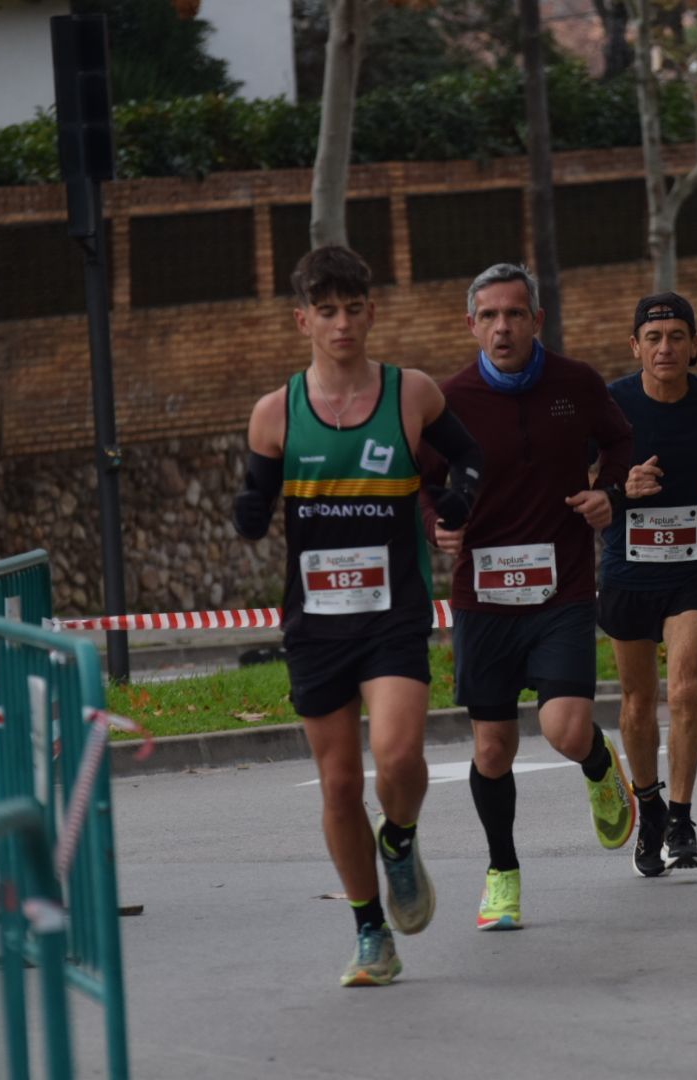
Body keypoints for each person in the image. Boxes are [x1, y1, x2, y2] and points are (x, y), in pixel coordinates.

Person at [232, 245, 483, 987]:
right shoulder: (276, 412)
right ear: (303, 318)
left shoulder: (411, 395)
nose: (341, 324)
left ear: (370, 313)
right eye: (326, 311)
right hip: (315, 623)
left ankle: (399, 840)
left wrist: (456, 501)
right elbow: (255, 495)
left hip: (391, 614)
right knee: (340, 784)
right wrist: (249, 510)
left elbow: (466, 460)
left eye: (353, 309)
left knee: (400, 757)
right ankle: (371, 933)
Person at [421, 262, 636, 931]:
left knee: (565, 727)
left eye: (514, 314)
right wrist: (438, 524)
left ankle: (600, 766)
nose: (503, 327)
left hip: (561, 588)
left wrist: (611, 493)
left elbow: (623, 442)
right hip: (483, 597)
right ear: (471, 325)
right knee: (492, 751)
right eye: (489, 316)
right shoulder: (448, 398)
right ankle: (502, 874)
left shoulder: (575, 384)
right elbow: (422, 477)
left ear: (536, 320)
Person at [600, 292, 697, 878]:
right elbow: (580, 481)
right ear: (635, 346)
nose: (666, 348)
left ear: (695, 345)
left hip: (691, 565)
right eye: (654, 338)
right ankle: (651, 803)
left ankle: (682, 819)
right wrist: (619, 485)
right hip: (627, 569)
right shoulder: (611, 404)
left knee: (684, 689)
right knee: (637, 701)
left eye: (677, 337)